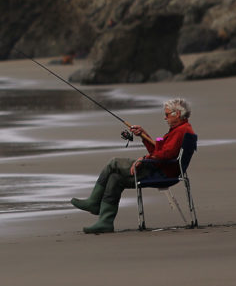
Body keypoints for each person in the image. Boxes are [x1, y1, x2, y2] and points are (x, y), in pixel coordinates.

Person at [70, 98, 195, 234]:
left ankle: (94, 202)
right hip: (162, 168)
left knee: (114, 163)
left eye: (167, 114)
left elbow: (165, 155)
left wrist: (144, 159)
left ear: (177, 113)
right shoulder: (180, 129)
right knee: (115, 178)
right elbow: (159, 151)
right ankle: (105, 222)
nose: (164, 118)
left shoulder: (181, 131)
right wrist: (143, 135)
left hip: (160, 171)